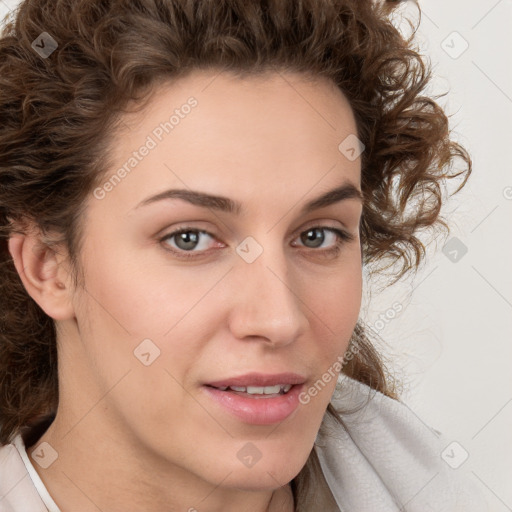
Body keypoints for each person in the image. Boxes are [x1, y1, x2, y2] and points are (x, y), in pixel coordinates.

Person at [0, 0, 489, 510]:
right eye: (189, 238)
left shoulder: (435, 485)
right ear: (47, 267)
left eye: (319, 235)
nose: (279, 319)